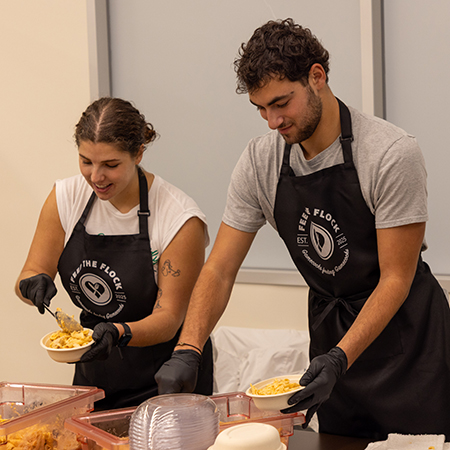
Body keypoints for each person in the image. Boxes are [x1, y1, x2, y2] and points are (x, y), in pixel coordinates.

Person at [155, 19, 450, 440]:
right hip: (331, 346)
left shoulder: (388, 153)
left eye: (281, 103)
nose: (272, 121)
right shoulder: (261, 162)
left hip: (409, 347)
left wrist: (339, 358)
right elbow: (219, 268)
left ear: (317, 77)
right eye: (261, 109)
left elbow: (396, 279)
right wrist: (188, 348)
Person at [15, 97, 213, 410]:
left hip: (166, 379)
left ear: (138, 154)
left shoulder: (178, 217)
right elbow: (29, 272)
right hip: (94, 374)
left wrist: (117, 333)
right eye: (86, 161)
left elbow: (170, 318)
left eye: (110, 165)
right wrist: (31, 284)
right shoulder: (65, 197)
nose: (96, 177)